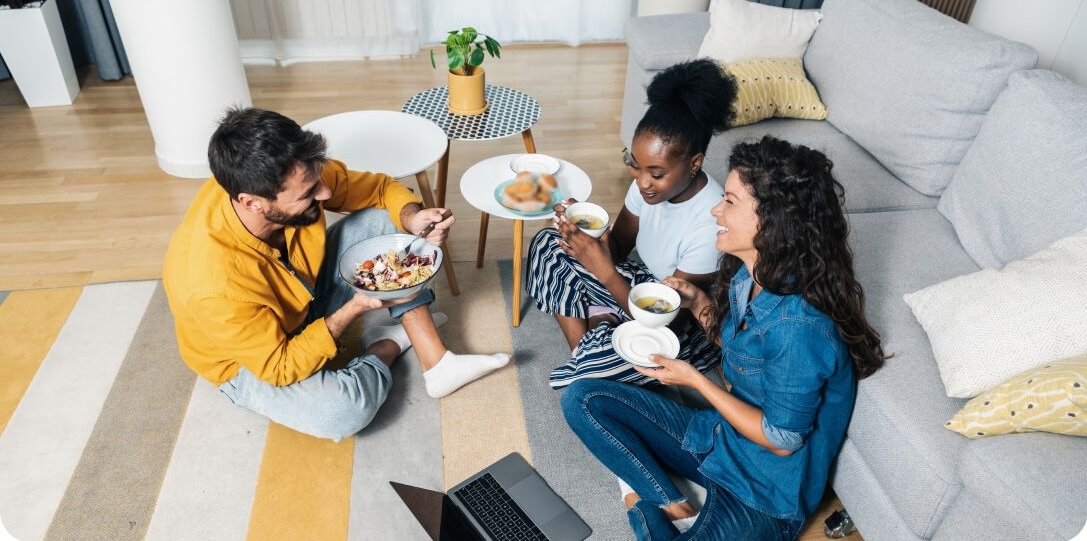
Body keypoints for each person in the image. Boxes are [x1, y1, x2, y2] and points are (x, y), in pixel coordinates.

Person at [560, 136, 887, 539]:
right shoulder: (748, 274)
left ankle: (646, 512)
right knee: (582, 398)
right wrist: (697, 301)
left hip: (764, 491)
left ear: (771, 220)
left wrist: (695, 380)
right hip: (718, 438)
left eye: (730, 201)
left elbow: (782, 440)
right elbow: (740, 347)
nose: (716, 208)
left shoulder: (800, 328)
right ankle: (670, 503)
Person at [163, 107, 510, 441]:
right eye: (309, 193)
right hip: (252, 359)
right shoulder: (212, 284)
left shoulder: (289, 172)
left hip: (303, 295)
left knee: (388, 226)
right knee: (341, 411)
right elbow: (280, 366)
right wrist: (354, 309)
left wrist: (411, 218)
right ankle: (388, 343)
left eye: (317, 181)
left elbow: (377, 189)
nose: (325, 193)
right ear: (253, 202)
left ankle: (437, 363)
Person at [526, 59, 738, 388]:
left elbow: (667, 322)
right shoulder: (646, 186)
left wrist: (605, 271)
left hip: (678, 324)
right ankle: (585, 349)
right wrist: (588, 233)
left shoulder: (711, 220)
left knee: (597, 373)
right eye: (635, 166)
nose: (642, 182)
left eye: (656, 173)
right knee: (548, 243)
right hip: (637, 284)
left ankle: (595, 347)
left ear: (694, 163)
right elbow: (620, 246)